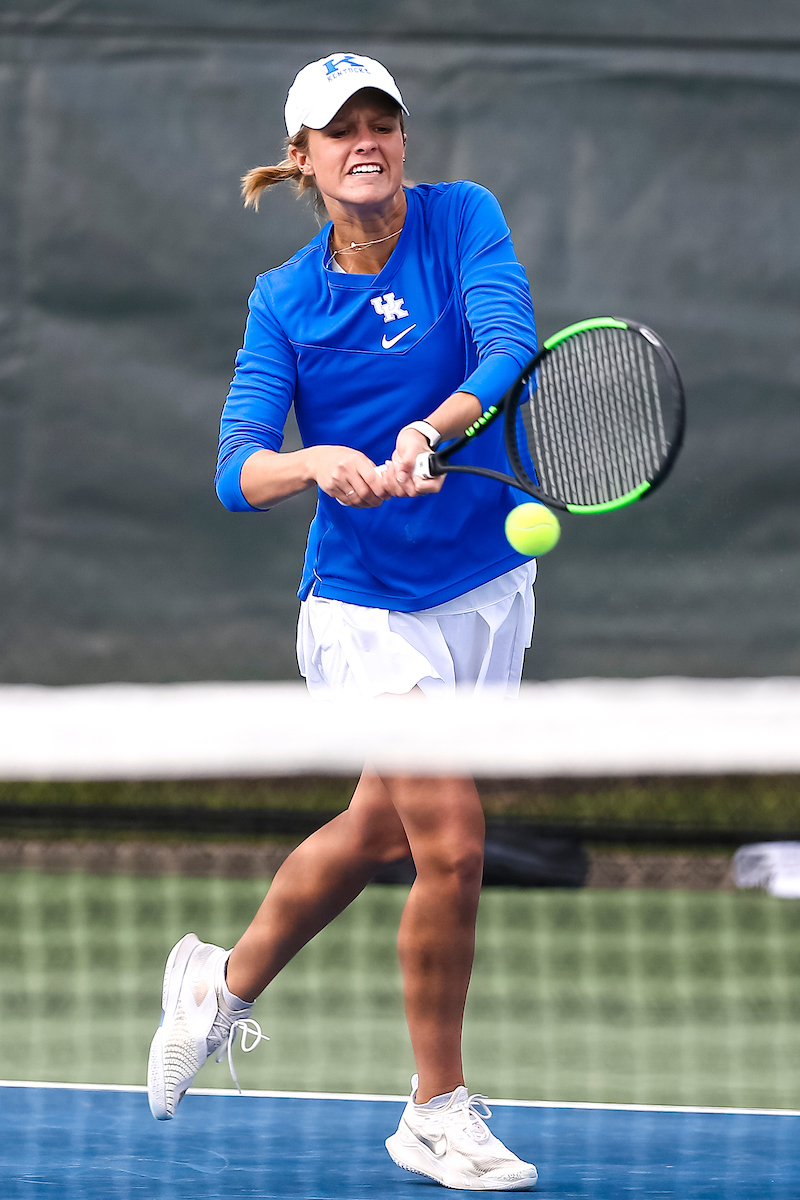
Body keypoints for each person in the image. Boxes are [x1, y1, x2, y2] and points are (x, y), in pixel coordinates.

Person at [147, 53, 539, 1192]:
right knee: (451, 847)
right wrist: (315, 460)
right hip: (363, 614)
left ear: (400, 142)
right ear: (306, 161)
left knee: (378, 831)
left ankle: (220, 984)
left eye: (382, 122)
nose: (365, 140)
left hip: (480, 589)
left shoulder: (462, 220)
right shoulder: (285, 298)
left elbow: (508, 344)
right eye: (339, 130)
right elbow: (236, 470)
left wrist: (428, 430)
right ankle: (435, 1108)